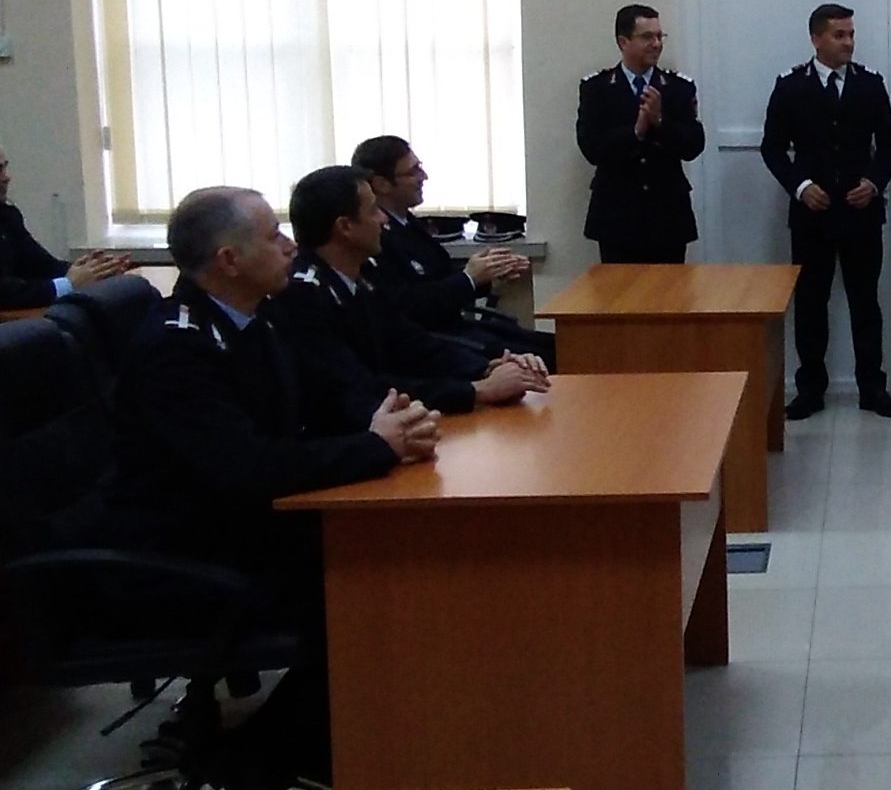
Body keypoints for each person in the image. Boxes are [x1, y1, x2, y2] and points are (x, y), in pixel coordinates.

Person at [104, 186, 441, 782]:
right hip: (181, 555)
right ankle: (262, 761)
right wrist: (374, 447)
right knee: (377, 580)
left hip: (238, 527)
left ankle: (341, 740)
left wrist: (387, 424)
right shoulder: (177, 349)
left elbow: (312, 413)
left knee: (398, 550)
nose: (289, 247)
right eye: (272, 236)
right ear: (229, 260)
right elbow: (250, 469)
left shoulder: (252, 321)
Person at [270, 166, 549, 435]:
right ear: (345, 226)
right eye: (373, 210)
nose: (383, 220)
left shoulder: (359, 277)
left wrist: (485, 367)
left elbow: (411, 343)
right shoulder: (303, 295)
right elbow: (360, 387)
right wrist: (477, 391)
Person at [761, 3, 891, 420]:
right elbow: (773, 147)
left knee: (866, 303)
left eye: (851, 34)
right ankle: (810, 389)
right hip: (813, 214)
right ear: (816, 38)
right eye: (839, 35)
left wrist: (874, 182)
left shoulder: (870, 85)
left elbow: (890, 144)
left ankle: (872, 388)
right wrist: (801, 187)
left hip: (861, 212)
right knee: (811, 304)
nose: (848, 42)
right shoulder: (791, 87)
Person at [350, 134, 555, 366]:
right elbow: (409, 307)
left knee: (562, 344)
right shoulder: (373, 240)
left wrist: (488, 273)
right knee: (557, 357)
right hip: (434, 343)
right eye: (413, 172)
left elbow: (442, 276)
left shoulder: (408, 223)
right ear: (381, 184)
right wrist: (469, 278)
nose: (423, 177)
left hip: (459, 329)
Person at [576, 4, 705, 263]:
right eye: (647, 37)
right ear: (623, 42)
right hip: (617, 217)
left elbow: (693, 145)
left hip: (667, 216)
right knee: (619, 290)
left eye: (659, 36)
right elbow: (592, 148)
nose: (656, 44)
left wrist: (660, 122)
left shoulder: (678, 87)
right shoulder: (598, 88)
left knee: (670, 289)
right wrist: (635, 132)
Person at [0, 144, 129, 309]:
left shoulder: (7, 216)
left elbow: (40, 264)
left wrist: (93, 271)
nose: (7, 178)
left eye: (4, 168)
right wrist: (68, 284)